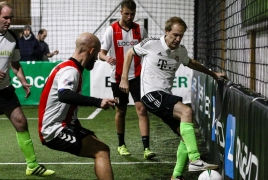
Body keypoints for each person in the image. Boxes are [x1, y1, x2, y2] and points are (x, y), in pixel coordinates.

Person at [119, 17, 226, 180]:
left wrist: (213, 74)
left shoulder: (180, 51)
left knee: (185, 135)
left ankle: (176, 176)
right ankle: (195, 159)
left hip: (164, 95)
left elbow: (192, 63)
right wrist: (124, 78)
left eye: (181, 36)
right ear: (166, 31)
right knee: (186, 111)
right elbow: (129, 53)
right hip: (151, 94)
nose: (178, 39)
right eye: (175, 35)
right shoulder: (151, 44)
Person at [38, 32, 116, 180]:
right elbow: (64, 95)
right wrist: (98, 102)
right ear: (91, 51)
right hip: (53, 130)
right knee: (102, 151)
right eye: (97, 53)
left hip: (61, 125)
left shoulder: (67, 67)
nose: (96, 58)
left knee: (96, 143)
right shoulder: (71, 70)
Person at [0, 1, 54, 176]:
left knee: (21, 122)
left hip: (5, 90)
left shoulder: (12, 37)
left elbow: (15, 64)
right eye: (5, 17)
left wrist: (22, 81)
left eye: (10, 18)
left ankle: (32, 165)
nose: (9, 21)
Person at [99, 0, 155, 159]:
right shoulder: (111, 30)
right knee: (121, 111)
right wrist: (107, 58)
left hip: (137, 76)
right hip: (117, 78)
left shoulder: (140, 30)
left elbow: (148, 49)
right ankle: (121, 145)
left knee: (142, 109)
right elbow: (100, 53)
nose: (130, 17)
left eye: (132, 14)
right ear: (120, 12)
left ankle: (146, 148)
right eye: (126, 14)